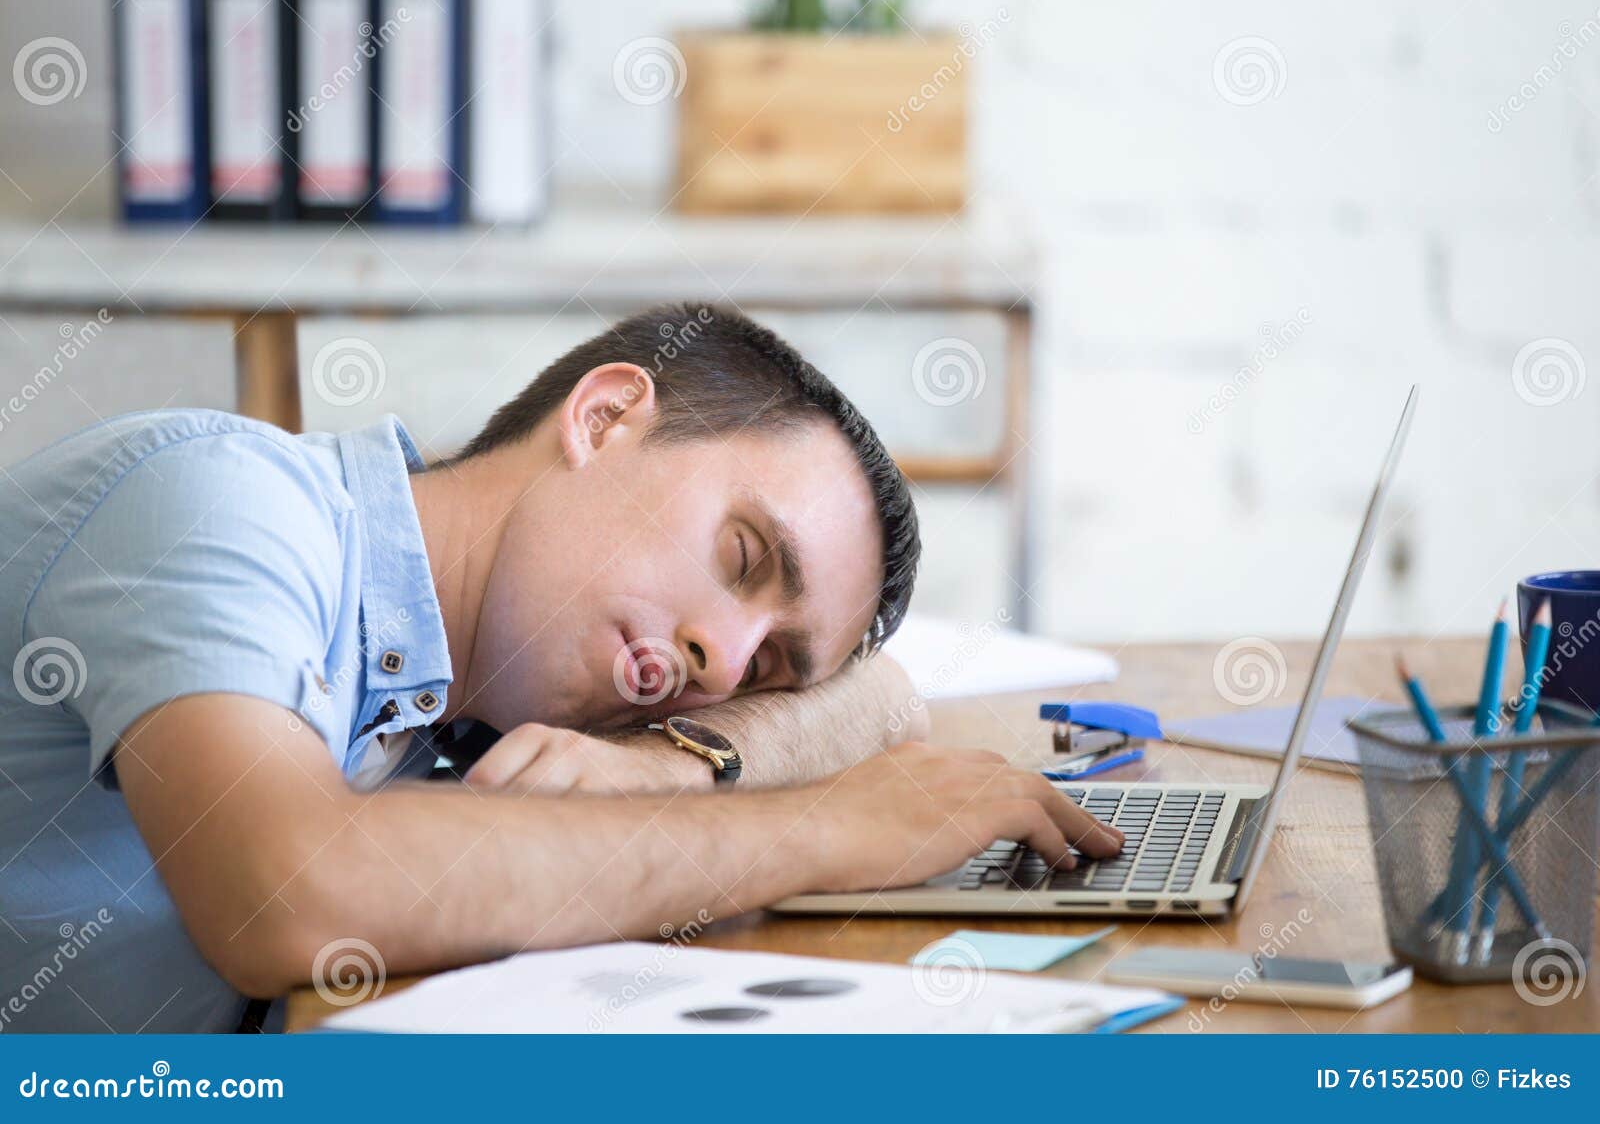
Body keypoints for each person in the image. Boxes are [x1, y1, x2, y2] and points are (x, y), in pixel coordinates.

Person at [0, 302, 1120, 1032]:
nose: (720, 659)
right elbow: (290, 891)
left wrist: (682, 765)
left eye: (771, 663)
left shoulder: (478, 704)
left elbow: (879, 692)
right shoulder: (220, 501)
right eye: (741, 557)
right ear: (607, 414)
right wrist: (831, 830)